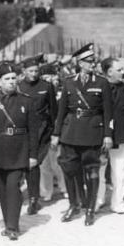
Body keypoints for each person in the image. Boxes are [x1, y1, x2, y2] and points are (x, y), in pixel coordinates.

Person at [0, 62, 41, 240]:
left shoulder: (26, 101)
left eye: (13, 78)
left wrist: (33, 155)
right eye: (7, 79)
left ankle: (13, 226)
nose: (11, 82)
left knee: (13, 187)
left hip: (19, 151)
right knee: (2, 190)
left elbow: (34, 131)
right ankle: (8, 221)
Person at [51, 43, 113, 226]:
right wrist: (56, 133)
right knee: (69, 170)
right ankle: (73, 204)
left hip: (93, 132)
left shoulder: (102, 83)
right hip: (71, 133)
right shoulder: (69, 82)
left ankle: (90, 209)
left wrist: (107, 135)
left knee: (92, 171)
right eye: (88, 61)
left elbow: (108, 112)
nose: (92, 64)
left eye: (93, 61)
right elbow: (61, 111)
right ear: (79, 62)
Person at [17, 55, 56, 215]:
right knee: (26, 164)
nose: (34, 74)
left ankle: (34, 199)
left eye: (36, 71)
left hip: (42, 130)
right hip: (23, 130)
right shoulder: (18, 87)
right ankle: (26, 194)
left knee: (34, 163)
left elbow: (54, 111)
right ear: (24, 71)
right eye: (30, 71)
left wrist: (55, 133)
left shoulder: (46, 86)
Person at [101, 57, 124, 214]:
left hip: (123, 132)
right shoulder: (99, 88)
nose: (123, 72)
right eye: (119, 69)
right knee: (99, 168)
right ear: (109, 72)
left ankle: (118, 202)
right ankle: (98, 200)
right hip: (102, 134)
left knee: (121, 169)